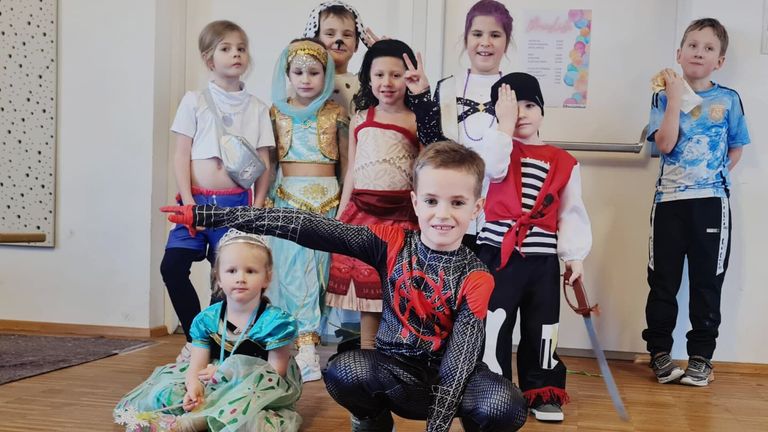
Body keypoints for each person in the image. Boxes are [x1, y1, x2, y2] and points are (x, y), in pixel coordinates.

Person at [162, 141, 528, 432]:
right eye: (431, 201)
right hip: (395, 371)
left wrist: (438, 427)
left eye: (457, 203)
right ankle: (373, 422)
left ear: (477, 207)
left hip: (451, 381)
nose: (442, 214)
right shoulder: (391, 242)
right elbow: (304, 225)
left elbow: (459, 362)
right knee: (343, 369)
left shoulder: (476, 275)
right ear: (416, 202)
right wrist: (212, 215)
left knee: (504, 406)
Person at [477, 73, 591, 422]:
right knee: (494, 323)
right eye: (510, 107)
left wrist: (573, 256)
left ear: (542, 109)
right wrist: (503, 125)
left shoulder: (563, 161)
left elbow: (571, 211)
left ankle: (541, 390)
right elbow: (493, 168)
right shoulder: (495, 148)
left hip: (542, 259)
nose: (521, 113)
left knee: (543, 325)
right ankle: (493, 388)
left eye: (529, 105)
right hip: (497, 254)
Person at [642, 18, 750, 387]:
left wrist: (713, 176)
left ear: (719, 60)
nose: (699, 52)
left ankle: (701, 358)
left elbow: (736, 147)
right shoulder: (662, 96)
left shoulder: (729, 99)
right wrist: (674, 99)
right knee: (663, 282)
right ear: (679, 53)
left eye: (708, 48)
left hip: (711, 204)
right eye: (692, 45)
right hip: (669, 203)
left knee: (707, 283)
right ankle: (659, 353)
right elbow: (665, 145)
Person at [160, 20, 274, 362]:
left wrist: (259, 203)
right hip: (195, 203)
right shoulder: (194, 101)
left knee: (225, 278)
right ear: (210, 59)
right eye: (226, 49)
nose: (235, 54)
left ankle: (209, 342)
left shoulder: (256, 107)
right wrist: (190, 201)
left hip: (235, 207)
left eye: (240, 48)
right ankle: (197, 336)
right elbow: (181, 154)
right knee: (172, 266)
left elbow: (265, 161)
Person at [115, 230, 301, 432]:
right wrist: (194, 385)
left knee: (248, 406)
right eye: (231, 271)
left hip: (257, 384)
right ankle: (195, 410)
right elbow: (197, 365)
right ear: (218, 277)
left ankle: (193, 423)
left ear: (267, 278)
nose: (240, 278)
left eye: (250, 271)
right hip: (212, 373)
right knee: (168, 389)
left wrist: (226, 374)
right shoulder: (207, 320)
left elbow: (275, 373)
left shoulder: (275, 322)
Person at [327, 39, 422, 350]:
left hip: (401, 217)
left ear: (408, 78)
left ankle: (397, 351)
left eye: (396, 75)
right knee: (369, 290)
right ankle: (368, 351)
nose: (387, 83)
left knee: (396, 287)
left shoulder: (415, 119)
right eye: (379, 75)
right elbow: (352, 169)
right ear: (368, 77)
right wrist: (342, 214)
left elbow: (424, 171)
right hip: (362, 214)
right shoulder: (360, 118)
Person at [268, 38, 348, 382]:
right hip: (289, 199)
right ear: (287, 73)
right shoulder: (275, 112)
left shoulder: (336, 113)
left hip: (328, 202)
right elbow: (269, 163)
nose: (305, 79)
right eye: (298, 72)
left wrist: (346, 205)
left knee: (320, 274)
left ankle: (310, 342)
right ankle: (303, 348)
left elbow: (347, 163)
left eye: (314, 72)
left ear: (326, 74)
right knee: (291, 272)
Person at [404, 0, 514, 249]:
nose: (485, 42)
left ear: (506, 41)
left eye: (495, 35)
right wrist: (422, 96)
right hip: (451, 211)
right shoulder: (447, 87)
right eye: (477, 34)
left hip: (500, 213)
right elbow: (434, 146)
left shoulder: (516, 89)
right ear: (466, 38)